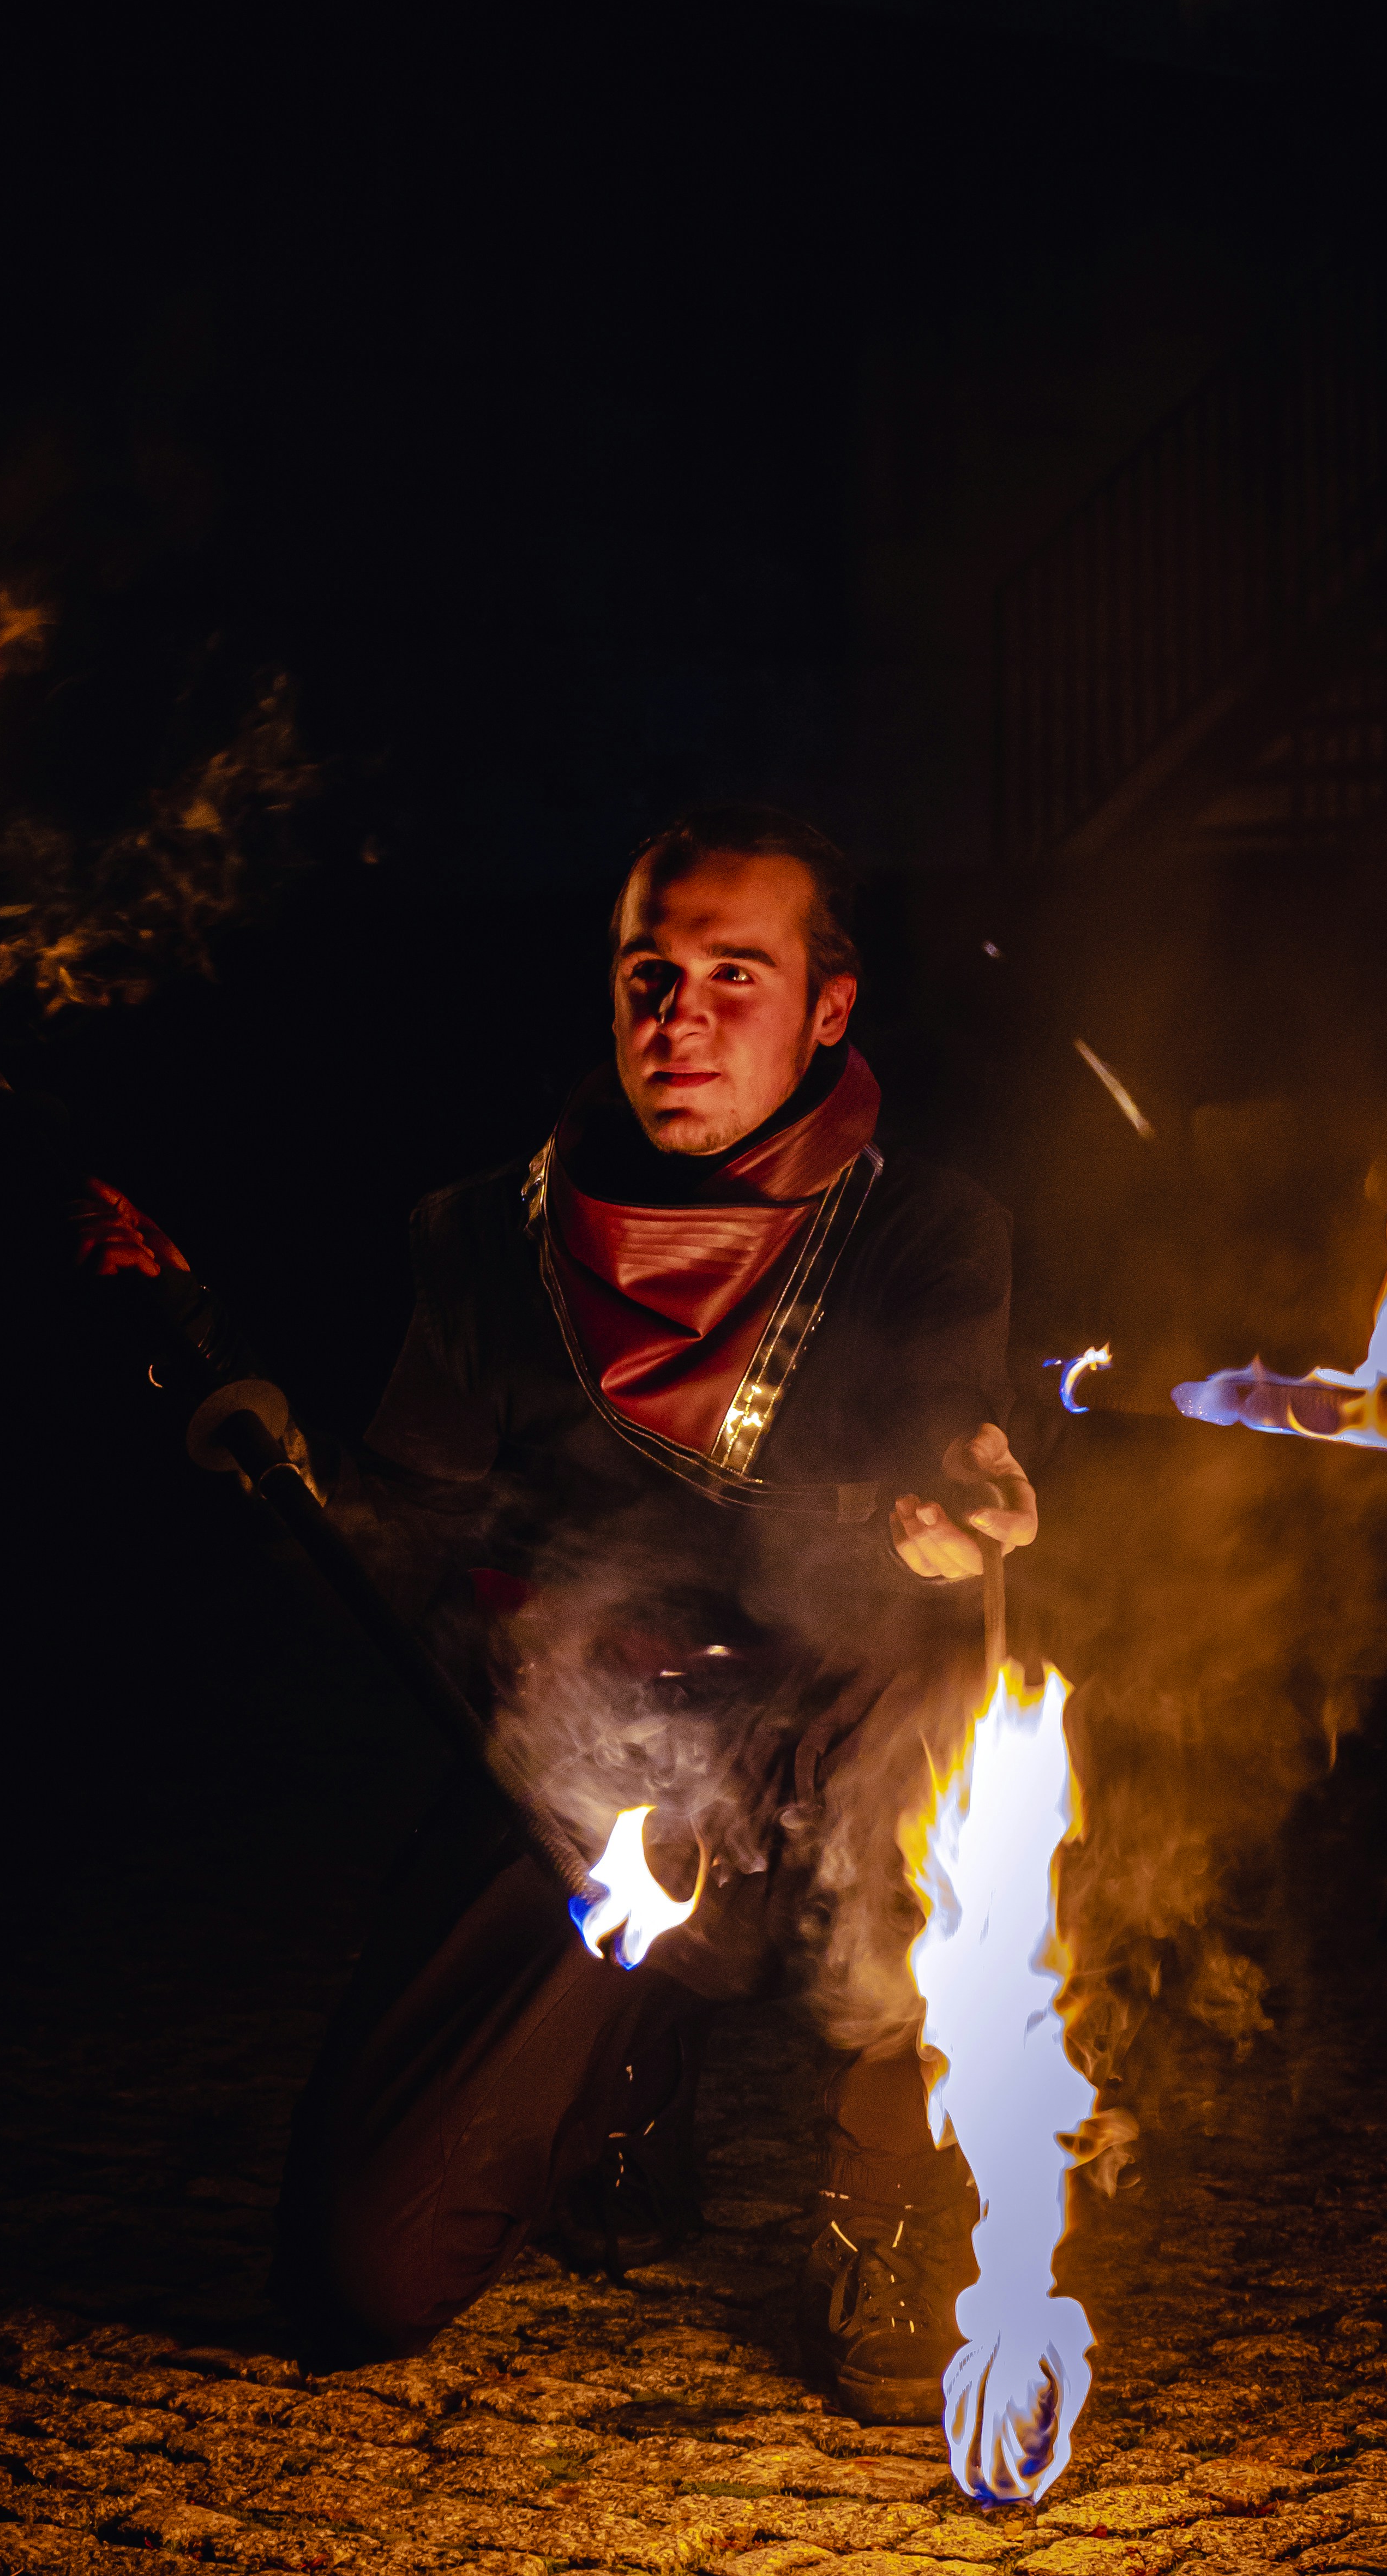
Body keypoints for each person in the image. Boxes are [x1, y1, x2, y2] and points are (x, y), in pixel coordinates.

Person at [82, 804, 1036, 2417]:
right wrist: (279, 1458)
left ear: (829, 1008)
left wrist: (953, 1511)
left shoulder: (923, 1233)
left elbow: (942, 1435)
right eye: (650, 974)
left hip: (835, 1737)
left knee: (957, 1713)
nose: (681, 1017)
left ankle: (896, 2188)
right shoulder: (479, 1240)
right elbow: (409, 1540)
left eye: (740, 974)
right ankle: (625, 2069)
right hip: (582, 1772)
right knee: (358, 2279)